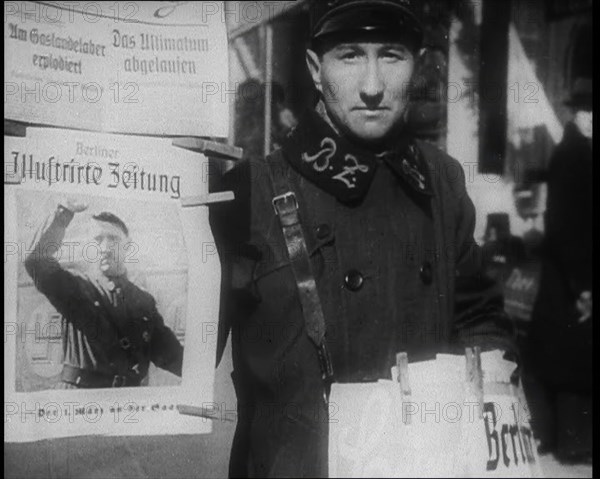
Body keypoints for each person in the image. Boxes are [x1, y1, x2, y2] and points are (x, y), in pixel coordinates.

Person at [210, 1, 517, 476]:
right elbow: (183, 350)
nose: (372, 87)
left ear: (417, 64)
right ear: (315, 68)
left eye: (392, 56)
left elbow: (479, 317)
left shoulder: (441, 180)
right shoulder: (247, 191)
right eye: (350, 56)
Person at [25, 199, 184, 389]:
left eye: (114, 240)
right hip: (81, 405)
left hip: (127, 405)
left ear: (128, 247)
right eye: (97, 240)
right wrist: (64, 213)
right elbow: (36, 260)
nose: (106, 248)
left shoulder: (143, 302)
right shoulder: (74, 288)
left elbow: (174, 358)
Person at [529, 77, 592, 463]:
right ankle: (571, 442)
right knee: (571, 363)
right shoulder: (574, 155)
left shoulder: (580, 150)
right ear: (581, 115)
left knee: (567, 359)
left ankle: (563, 439)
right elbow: (564, 226)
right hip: (573, 281)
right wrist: (583, 285)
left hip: (573, 279)